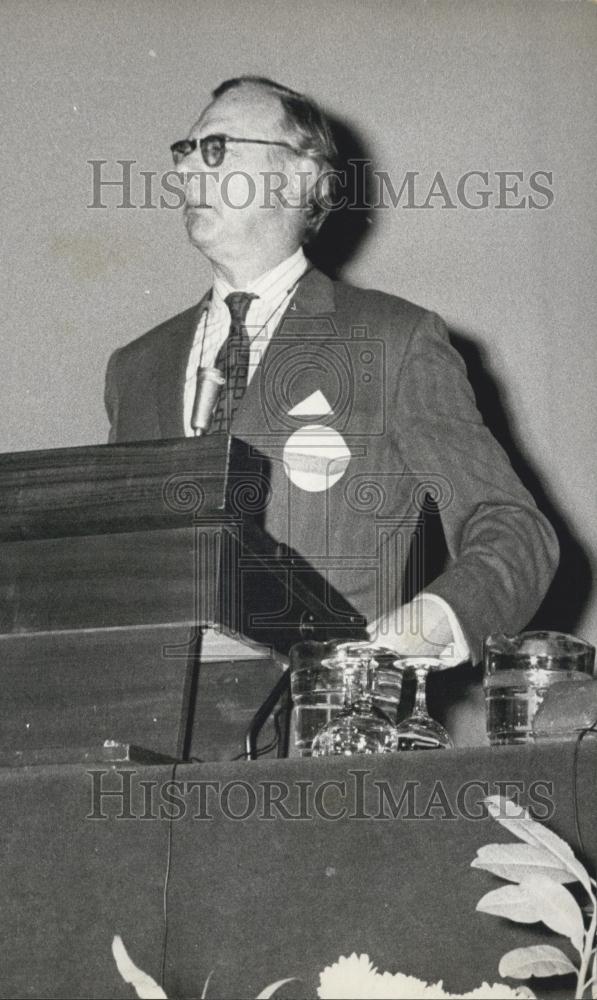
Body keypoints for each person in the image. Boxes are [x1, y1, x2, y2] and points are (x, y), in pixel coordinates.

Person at [104, 75, 559, 667]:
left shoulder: (395, 340)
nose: (187, 172)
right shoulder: (135, 368)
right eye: (184, 152)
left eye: (216, 149)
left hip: (323, 732)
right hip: (157, 741)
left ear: (300, 176)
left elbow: (514, 530)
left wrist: (434, 622)